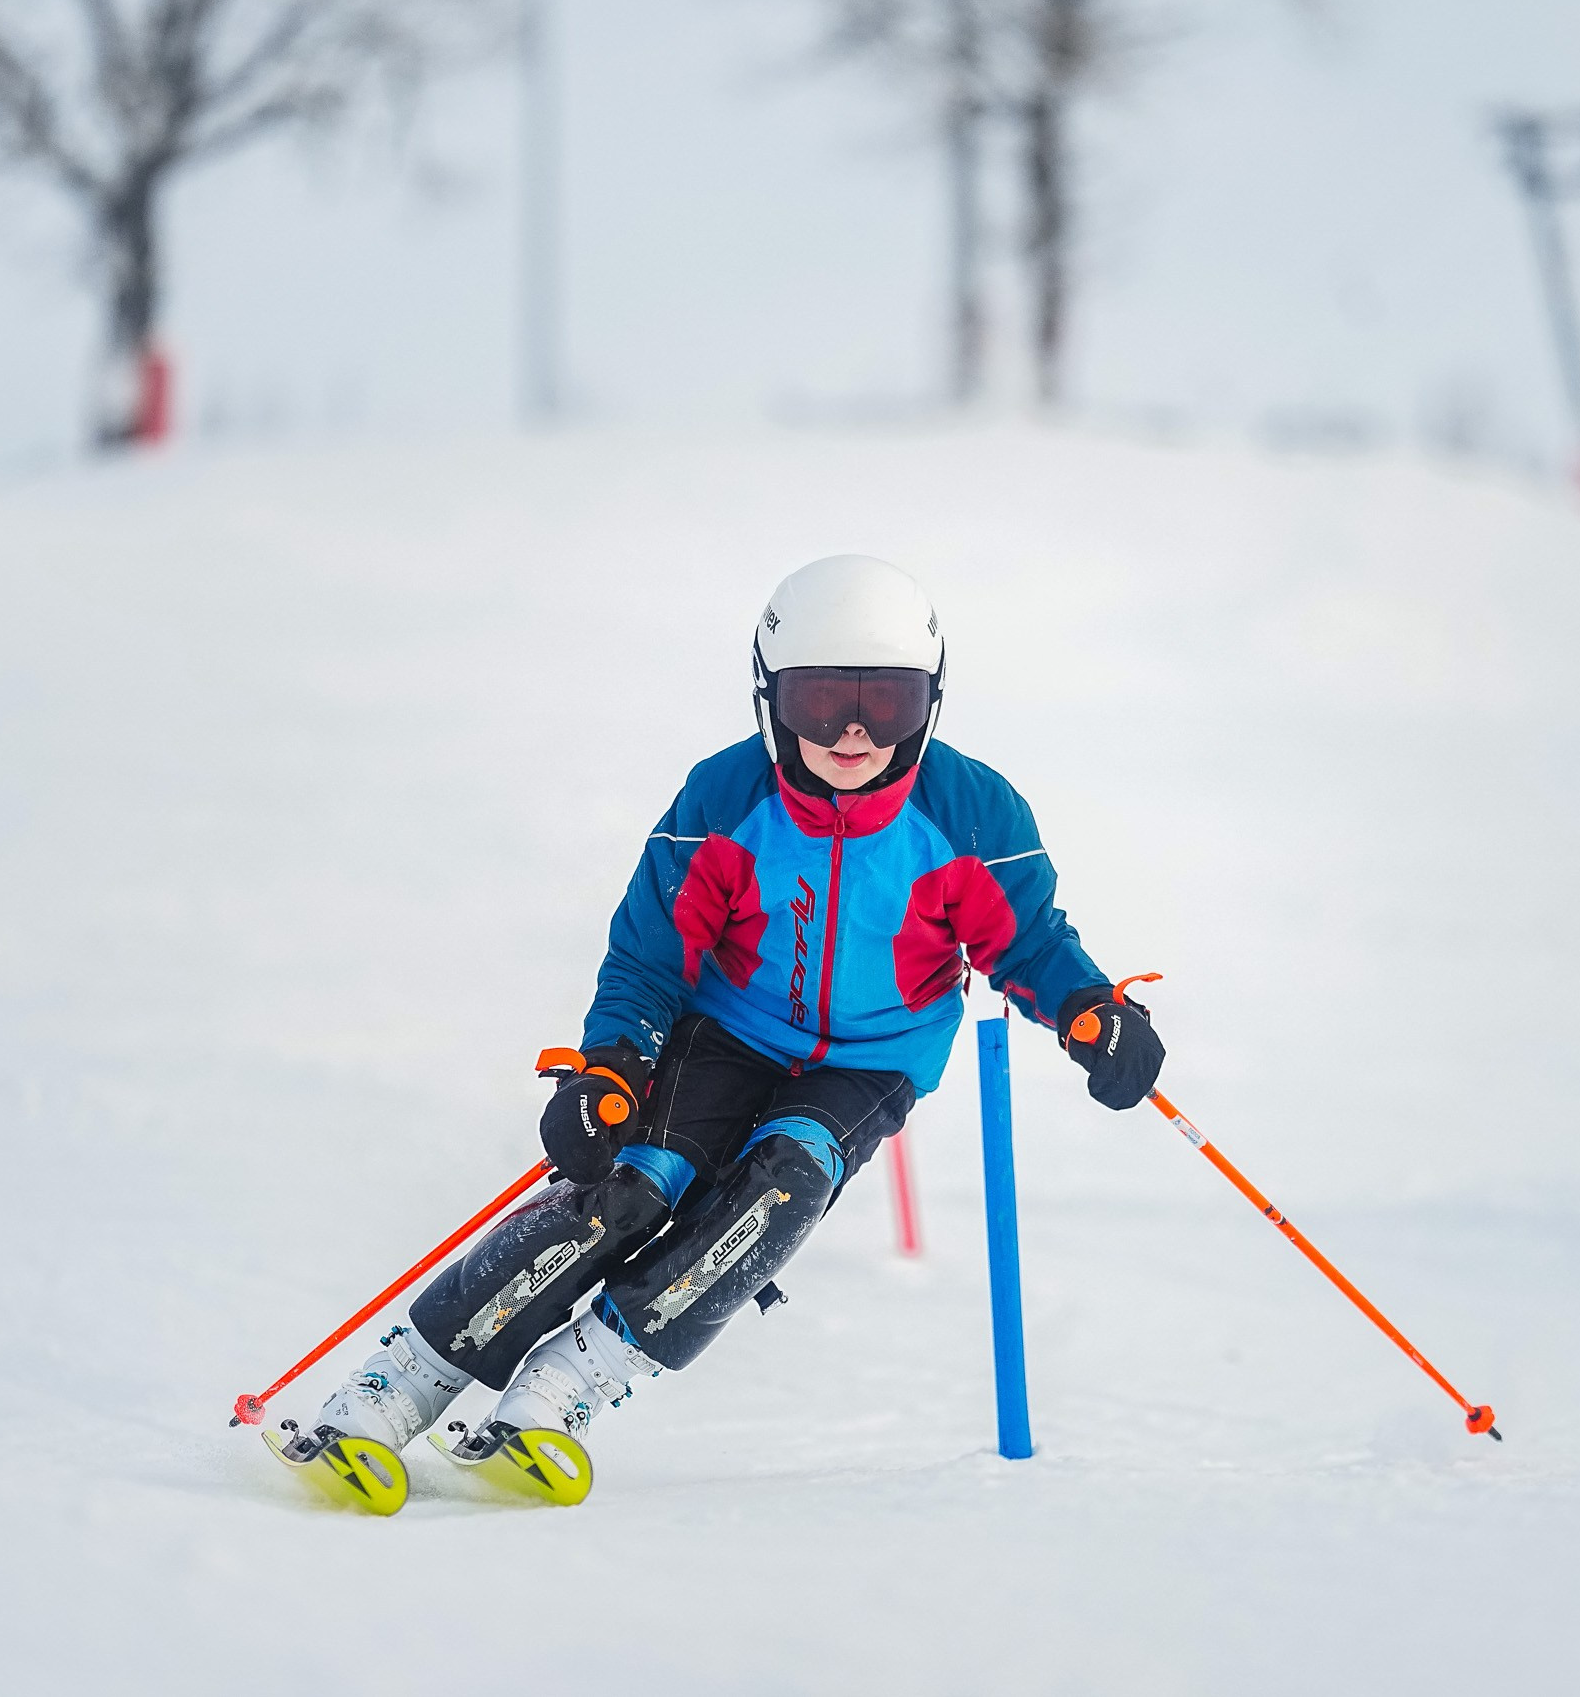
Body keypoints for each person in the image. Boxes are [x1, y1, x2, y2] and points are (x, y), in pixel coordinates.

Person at [273, 555, 1167, 1505]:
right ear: (771, 699)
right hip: (728, 1028)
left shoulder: (971, 811)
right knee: (627, 1188)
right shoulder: (725, 800)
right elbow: (651, 953)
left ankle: (569, 1383)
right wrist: (613, 1064)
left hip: (871, 1061)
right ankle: (397, 1383)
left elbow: (1026, 939)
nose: (854, 733)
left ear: (931, 702)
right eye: (823, 703)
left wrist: (1089, 1011)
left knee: (780, 1186)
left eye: (889, 703)